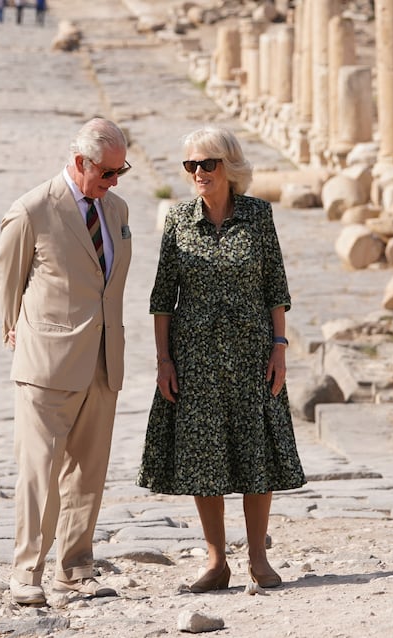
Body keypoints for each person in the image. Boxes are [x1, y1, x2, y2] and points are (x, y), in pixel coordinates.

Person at [136, 126, 306, 593]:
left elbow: (276, 288)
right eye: (190, 165)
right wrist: (163, 361)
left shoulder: (258, 216)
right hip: (194, 360)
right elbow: (161, 299)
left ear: (229, 167)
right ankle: (215, 561)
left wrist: (279, 347)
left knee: (256, 454)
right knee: (201, 458)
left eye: (206, 164)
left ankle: (257, 558)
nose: (197, 173)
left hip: (253, 355)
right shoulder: (176, 221)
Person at [0, 117, 133, 606]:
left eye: (121, 172)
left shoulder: (116, 209)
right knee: (39, 472)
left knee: (88, 473)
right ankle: (25, 573)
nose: (114, 181)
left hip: (102, 359)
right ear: (81, 163)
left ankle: (74, 568)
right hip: (47, 362)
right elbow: (9, 281)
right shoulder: (31, 209)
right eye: (108, 172)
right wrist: (14, 329)